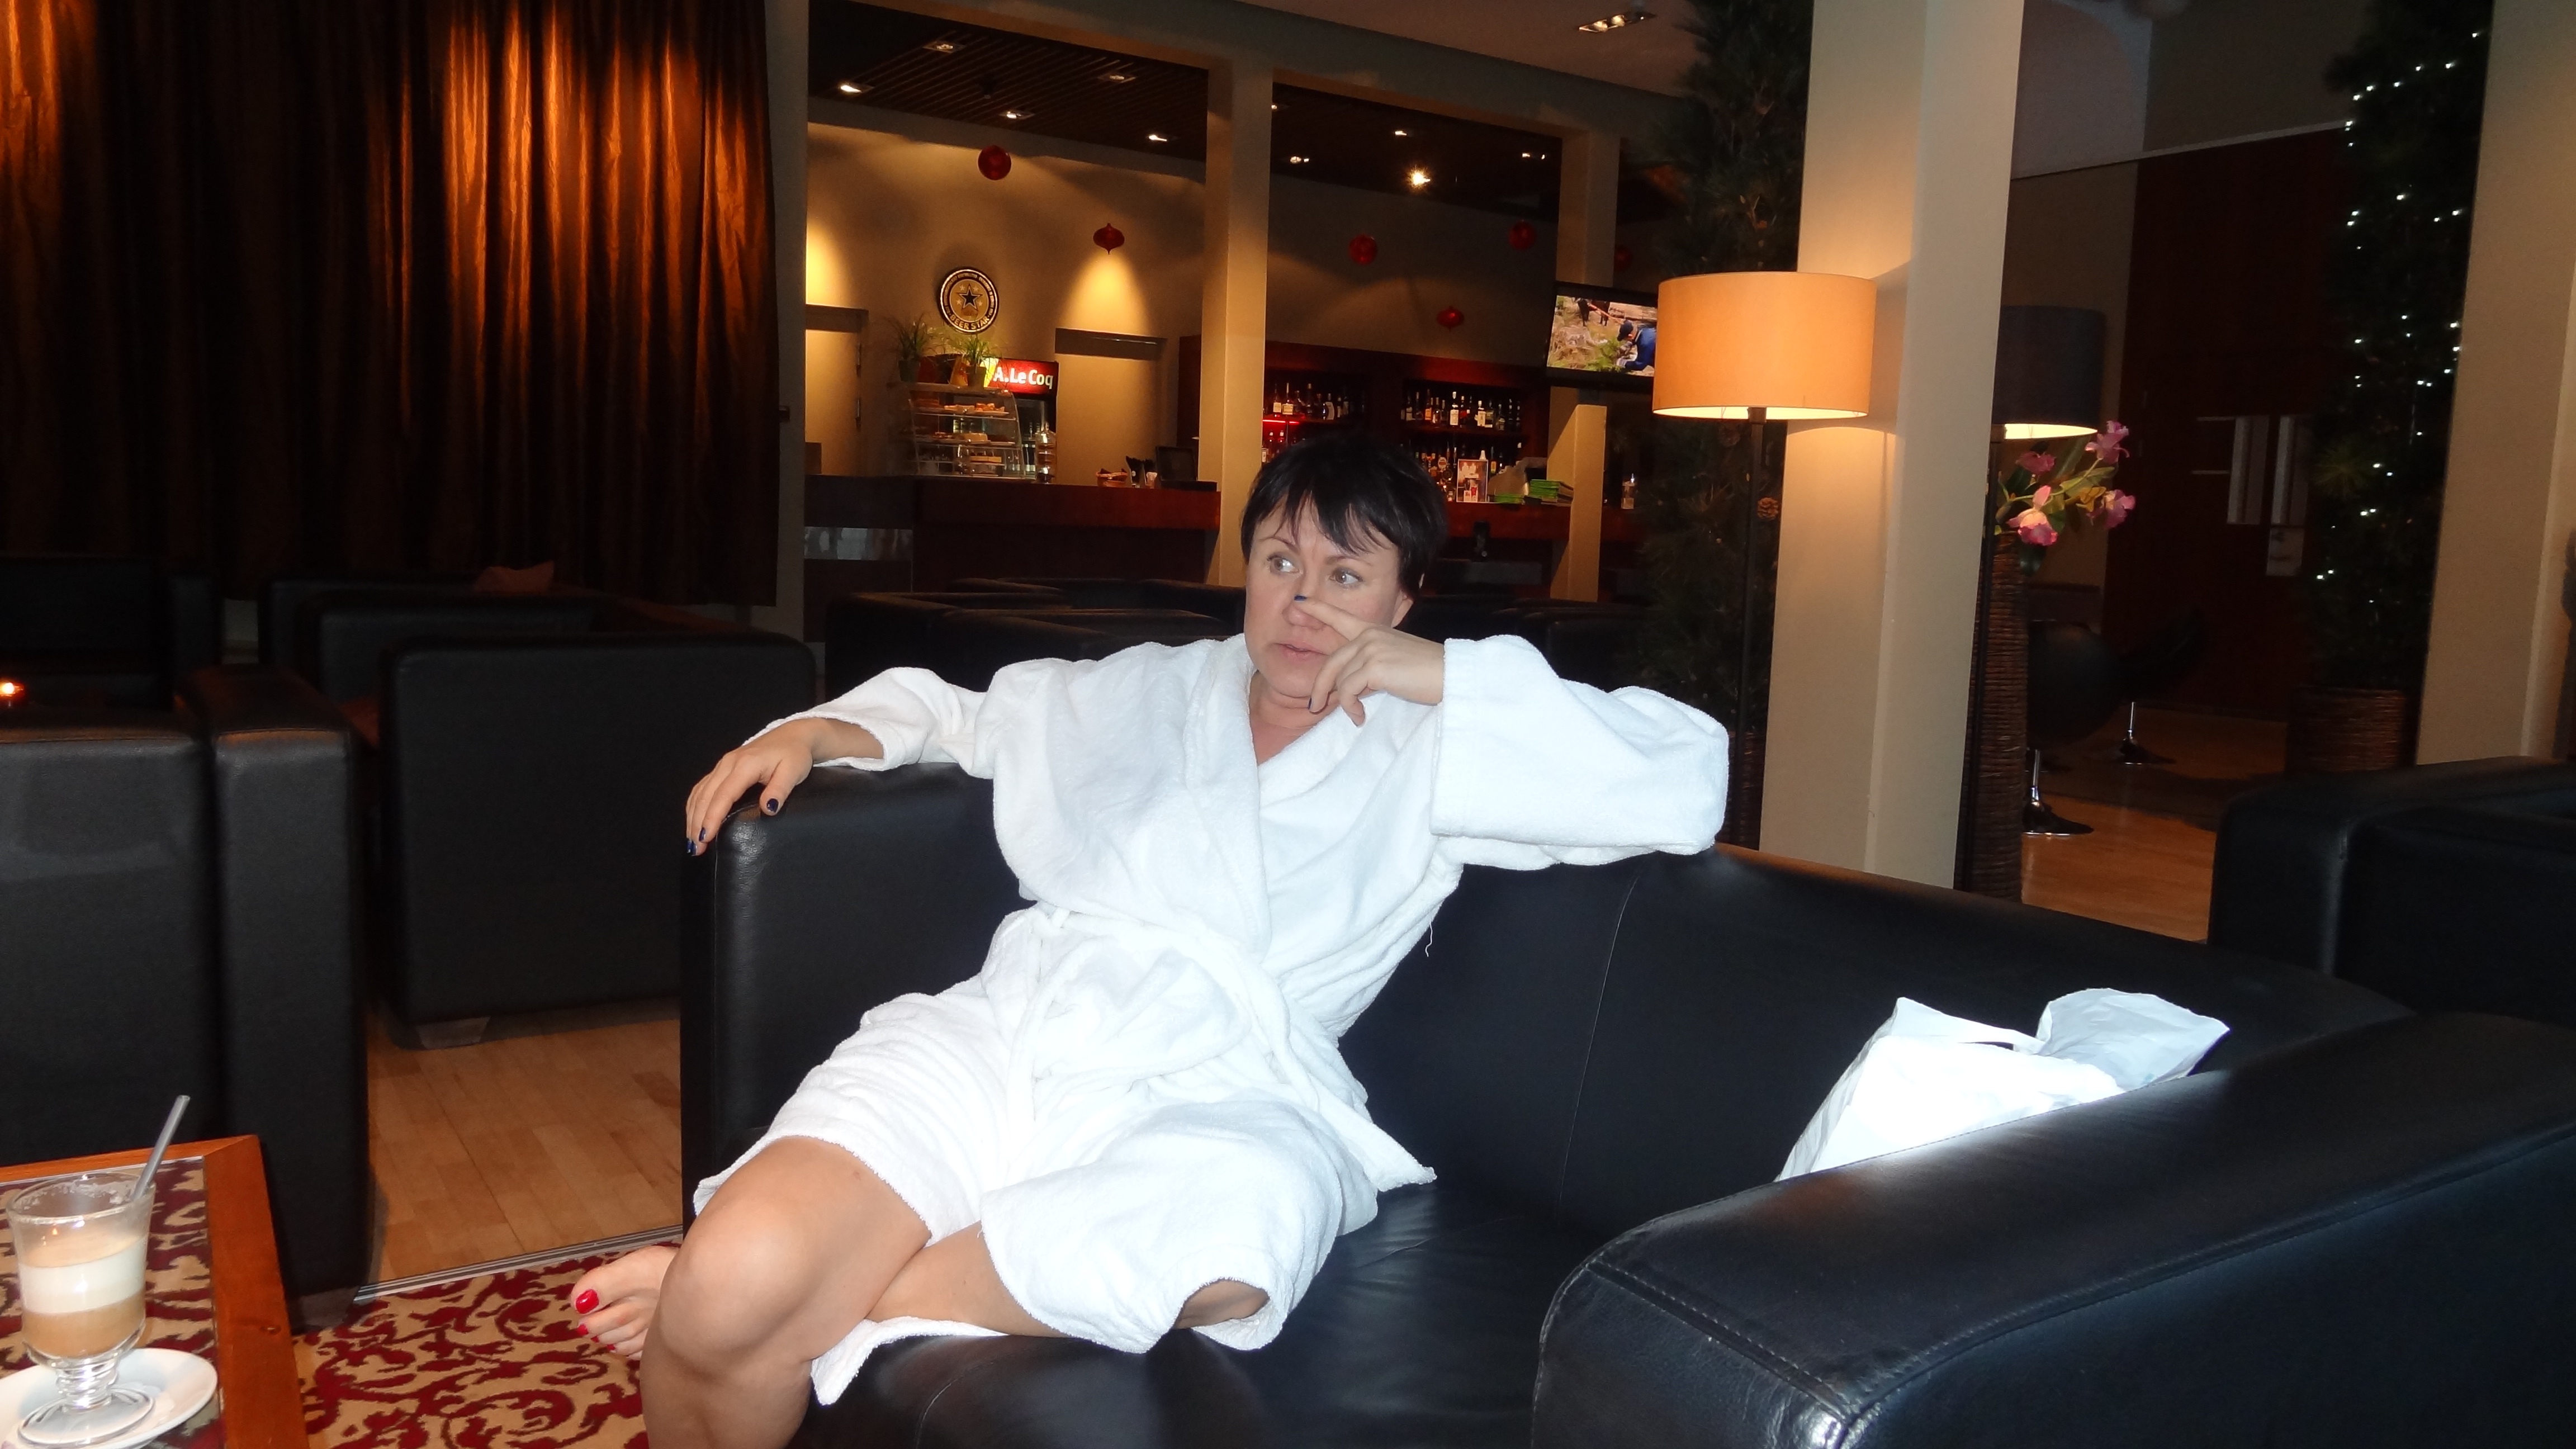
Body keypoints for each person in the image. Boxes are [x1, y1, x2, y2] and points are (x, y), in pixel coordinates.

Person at [567, 432, 1729, 1449]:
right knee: (735, 1282)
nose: (1304, 604)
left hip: (1221, 1086)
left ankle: (838, 1308)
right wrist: (821, 731)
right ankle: (762, 1295)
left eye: (1346, 575)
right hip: (1016, 1036)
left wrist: (1452, 681)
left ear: (1404, 599)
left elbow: (1685, 778)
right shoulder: (1153, 688)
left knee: (1230, 1236)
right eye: (1280, 562)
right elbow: (965, 711)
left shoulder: (1436, 744)